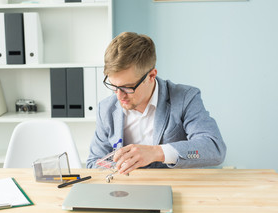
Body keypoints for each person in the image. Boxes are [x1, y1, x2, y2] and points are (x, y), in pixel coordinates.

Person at [86, 32, 226, 174]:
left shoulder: (185, 98)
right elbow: (94, 163)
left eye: (127, 87)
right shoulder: (106, 109)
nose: (119, 95)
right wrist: (117, 165)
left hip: (177, 188)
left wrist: (156, 152)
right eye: (114, 86)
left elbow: (214, 149)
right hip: (127, 190)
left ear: (151, 75)